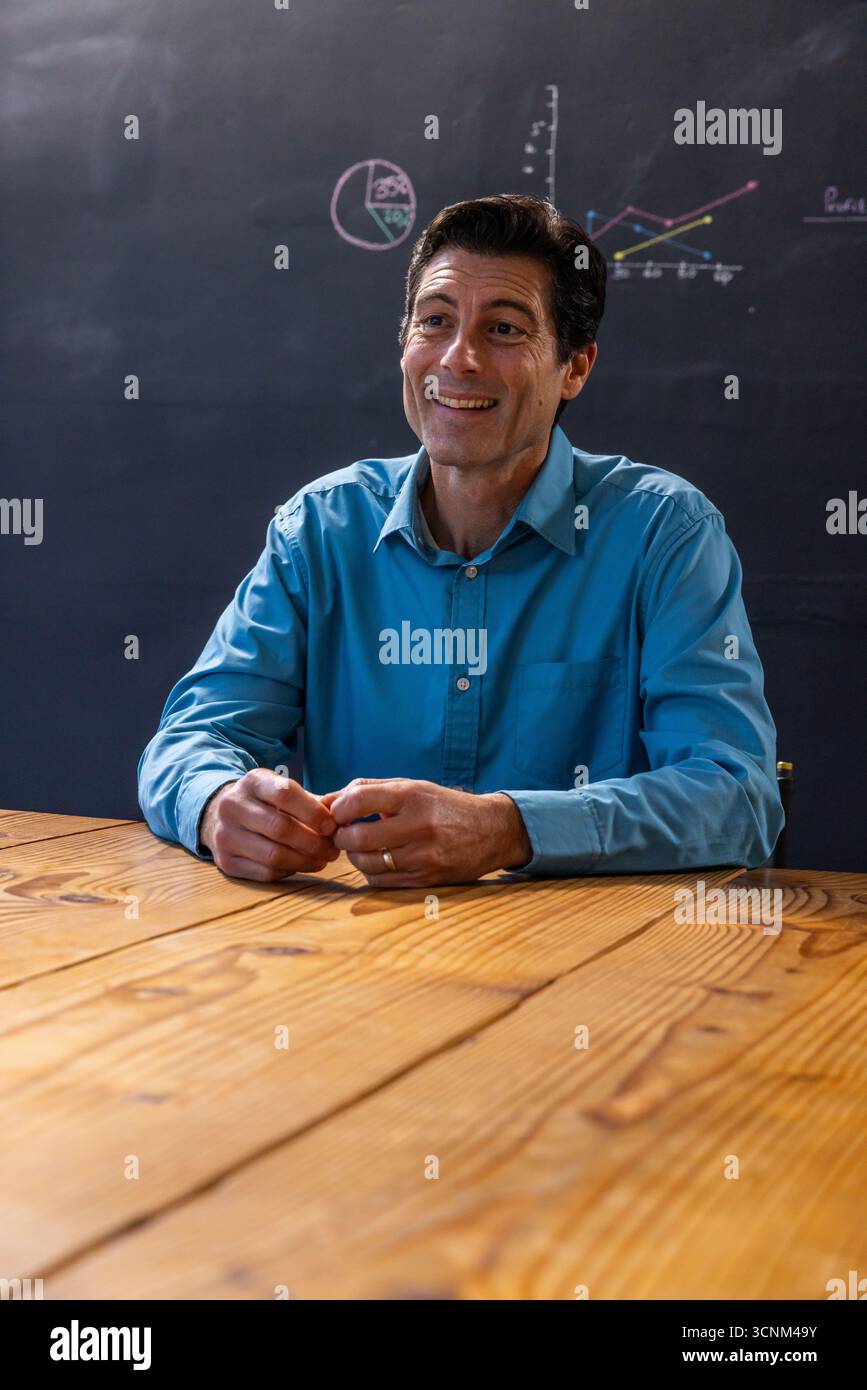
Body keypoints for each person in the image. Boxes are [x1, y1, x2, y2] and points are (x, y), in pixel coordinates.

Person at [138, 193, 784, 887]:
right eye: (435, 322)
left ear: (575, 367)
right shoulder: (320, 531)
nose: (458, 358)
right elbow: (191, 740)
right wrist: (214, 805)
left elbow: (737, 797)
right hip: (346, 959)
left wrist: (508, 829)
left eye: (503, 329)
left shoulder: (664, 534)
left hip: (599, 968)